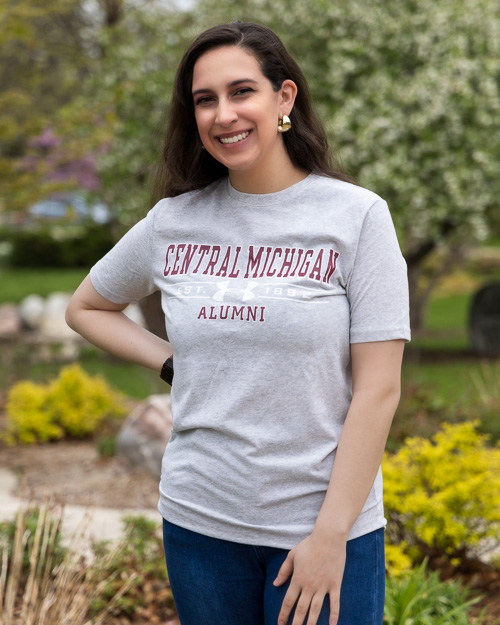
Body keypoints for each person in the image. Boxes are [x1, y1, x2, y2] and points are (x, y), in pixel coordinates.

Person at [66, 21, 410, 625]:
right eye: (205, 100)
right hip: (200, 524)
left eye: (241, 91)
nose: (223, 114)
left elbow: (378, 389)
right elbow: (86, 308)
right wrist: (170, 361)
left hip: (322, 528)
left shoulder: (356, 218)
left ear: (284, 99)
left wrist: (330, 536)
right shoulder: (174, 222)